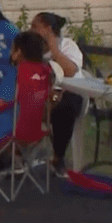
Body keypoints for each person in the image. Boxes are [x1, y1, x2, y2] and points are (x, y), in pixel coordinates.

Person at [0, 31, 51, 156]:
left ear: (19, 53)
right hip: (32, 132)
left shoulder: (18, 73)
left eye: (12, 48)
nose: (10, 52)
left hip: (0, 131)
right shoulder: (44, 72)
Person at [29, 12, 84, 169]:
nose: (31, 30)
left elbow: (70, 71)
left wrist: (54, 50)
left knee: (66, 106)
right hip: (43, 95)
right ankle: (16, 153)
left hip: (71, 92)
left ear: (48, 29)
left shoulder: (67, 46)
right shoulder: (34, 50)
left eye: (35, 27)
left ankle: (58, 157)